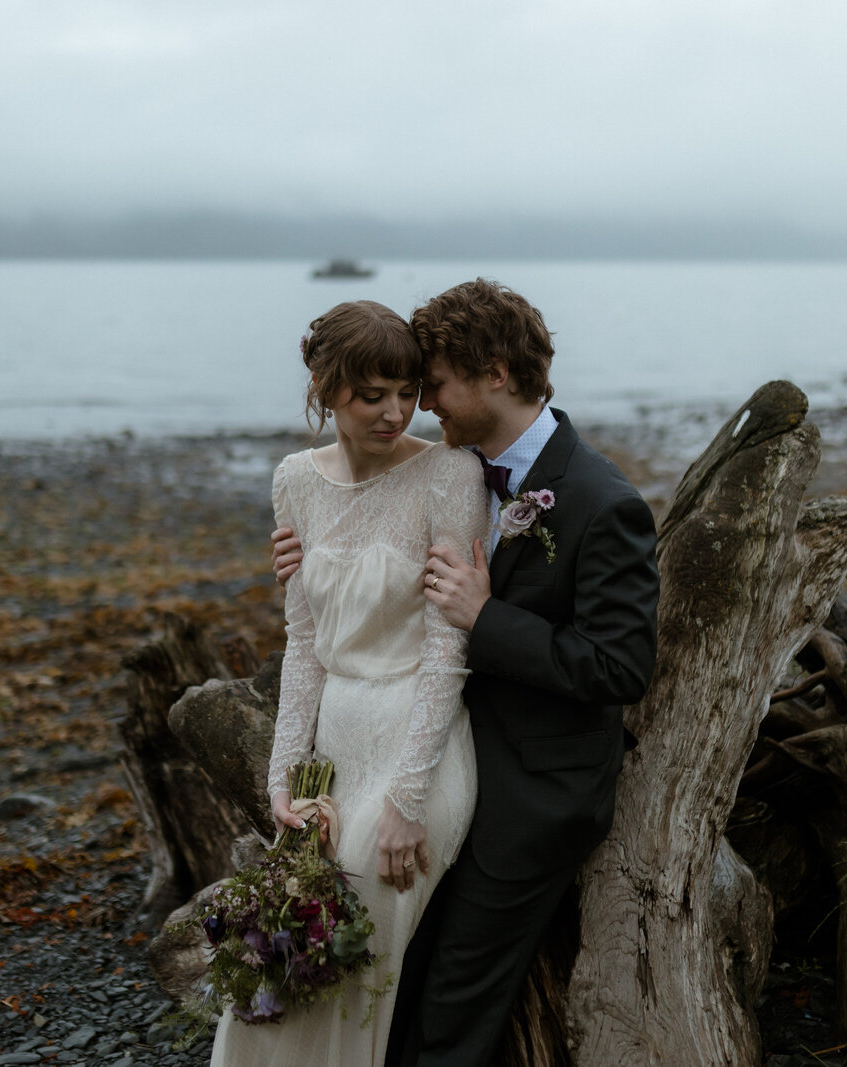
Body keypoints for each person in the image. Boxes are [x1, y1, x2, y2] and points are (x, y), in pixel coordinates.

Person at [272, 279, 661, 1066]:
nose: (422, 408)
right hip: (444, 744)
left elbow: (622, 665)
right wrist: (314, 559)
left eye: (434, 385)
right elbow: (373, 541)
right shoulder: (461, 468)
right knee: (391, 972)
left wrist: (488, 620)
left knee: (451, 999)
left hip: (536, 785)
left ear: (495, 373)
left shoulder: (599, 499)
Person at [210, 300, 491, 1066]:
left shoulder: (450, 474)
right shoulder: (294, 480)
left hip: (418, 741)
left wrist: (405, 801)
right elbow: (304, 646)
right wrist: (282, 785)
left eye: (406, 391)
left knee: (358, 916)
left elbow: (448, 652)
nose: (396, 411)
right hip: (331, 740)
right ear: (326, 388)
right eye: (373, 394)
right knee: (286, 929)